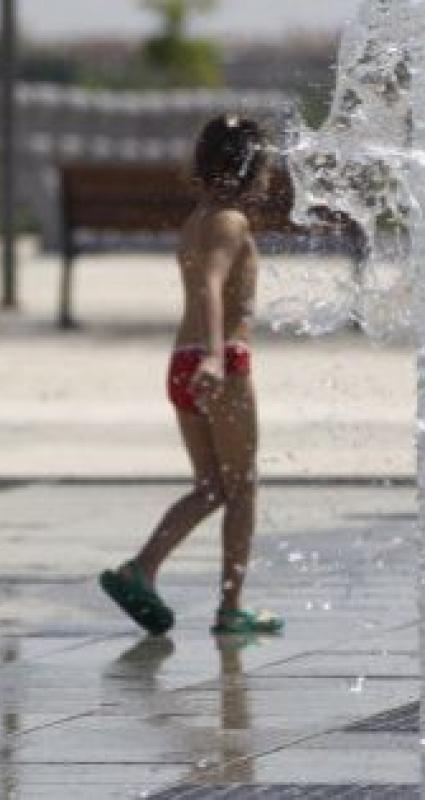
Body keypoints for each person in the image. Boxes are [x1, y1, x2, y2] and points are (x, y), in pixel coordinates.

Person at [99, 116, 282, 637]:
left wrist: (203, 356)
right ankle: (231, 609)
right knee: (242, 487)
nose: (268, 178)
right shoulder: (230, 222)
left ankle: (141, 570)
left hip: (183, 362)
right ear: (248, 169)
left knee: (210, 487)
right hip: (219, 361)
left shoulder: (198, 220)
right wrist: (217, 357)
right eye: (264, 168)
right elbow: (210, 285)